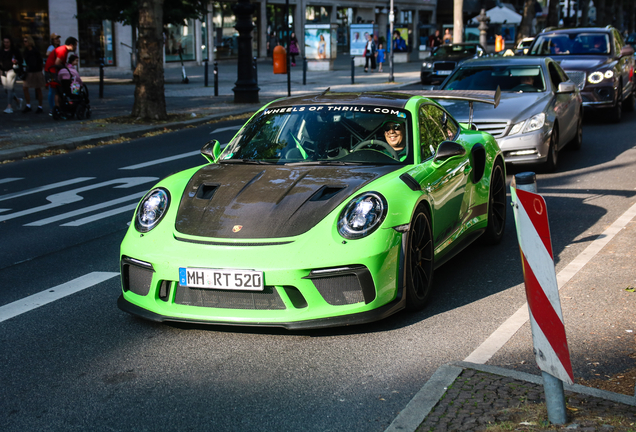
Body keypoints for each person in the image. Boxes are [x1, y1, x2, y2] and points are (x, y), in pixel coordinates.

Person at [44, 36, 78, 115]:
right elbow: (57, 63)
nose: (76, 47)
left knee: (56, 91)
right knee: (55, 90)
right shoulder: (62, 50)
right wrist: (65, 69)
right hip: (52, 71)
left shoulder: (63, 50)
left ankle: (56, 108)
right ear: (71, 45)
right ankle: (53, 109)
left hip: (52, 70)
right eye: (75, 45)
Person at [21, 35, 45, 113]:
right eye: (24, 41)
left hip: (36, 71)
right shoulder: (25, 51)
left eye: (26, 41)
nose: (24, 43)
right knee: (25, 87)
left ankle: (40, 106)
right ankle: (28, 105)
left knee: (38, 88)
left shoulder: (35, 50)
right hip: (29, 71)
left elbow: (40, 61)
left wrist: (40, 70)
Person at [1, 36, 24, 114]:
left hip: (12, 70)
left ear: (10, 42)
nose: (6, 44)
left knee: (10, 88)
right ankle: (17, 100)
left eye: (7, 42)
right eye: (5, 42)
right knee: (6, 89)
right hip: (3, 70)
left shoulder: (14, 50)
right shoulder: (1, 51)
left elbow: (20, 60)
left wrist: (16, 61)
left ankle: (9, 106)